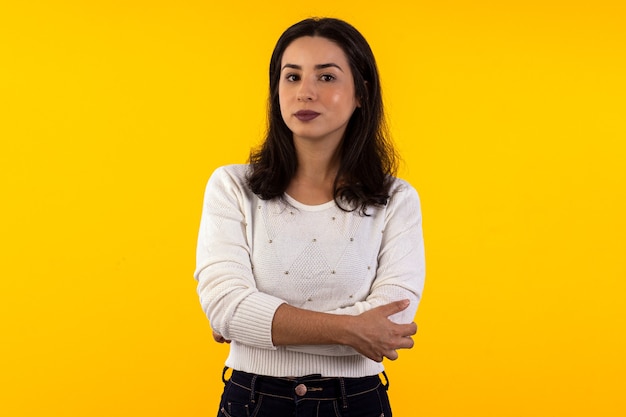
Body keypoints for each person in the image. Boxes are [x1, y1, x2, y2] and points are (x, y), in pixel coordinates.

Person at [194, 17, 425, 417]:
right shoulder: (232, 187)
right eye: (292, 76)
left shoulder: (396, 200)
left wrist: (258, 326)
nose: (305, 92)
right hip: (252, 401)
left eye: (327, 77)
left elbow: (391, 322)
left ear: (361, 94)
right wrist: (352, 331)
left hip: (356, 403)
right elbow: (225, 305)